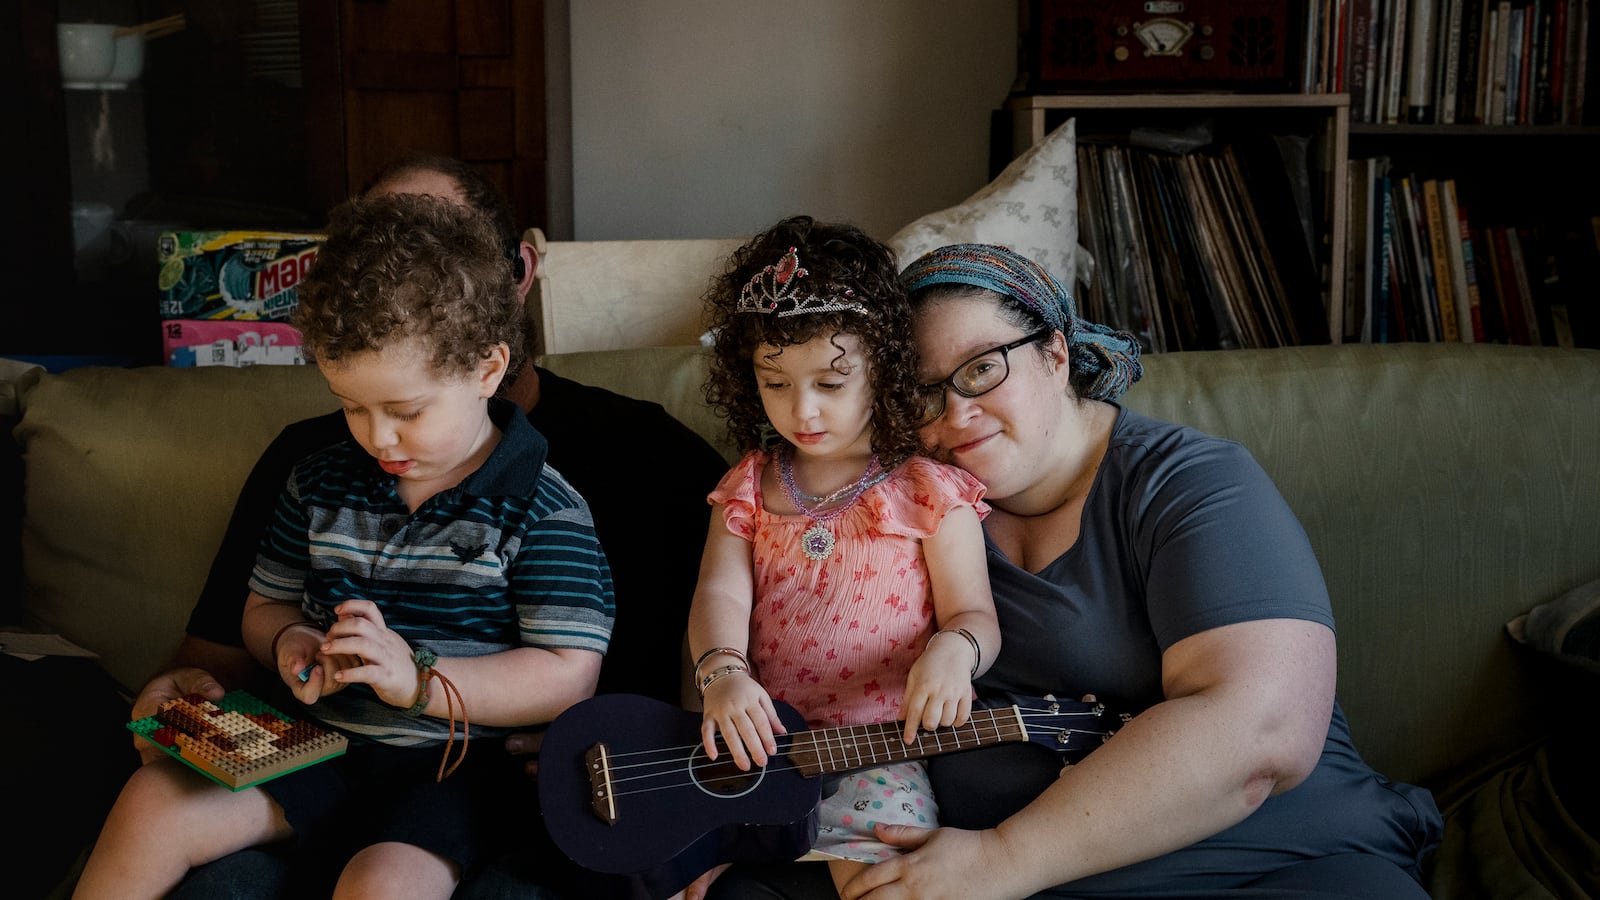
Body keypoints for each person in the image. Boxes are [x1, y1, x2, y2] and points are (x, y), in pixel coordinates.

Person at [705, 243, 1443, 900]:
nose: (955, 414)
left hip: (1266, 859)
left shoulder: (1188, 484)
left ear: (1055, 354)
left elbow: (1261, 731)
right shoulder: (902, 499)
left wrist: (1003, 859)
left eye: (982, 369)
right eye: (923, 393)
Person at [107, 152, 727, 897]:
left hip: (462, 772)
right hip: (322, 744)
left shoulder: (565, 493)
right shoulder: (318, 471)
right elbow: (252, 618)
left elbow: (574, 671)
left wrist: (420, 678)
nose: (378, 439)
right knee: (154, 804)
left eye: (403, 413)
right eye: (352, 407)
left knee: (384, 881)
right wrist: (286, 642)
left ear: (490, 351)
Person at [686, 217, 1001, 897]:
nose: (803, 410)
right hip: (757, 746)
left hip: (877, 749)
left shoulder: (926, 491)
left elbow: (974, 611)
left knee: (883, 881)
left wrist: (956, 652)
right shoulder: (749, 486)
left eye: (830, 383)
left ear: (883, 367)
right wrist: (723, 677)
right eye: (775, 383)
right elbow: (718, 597)